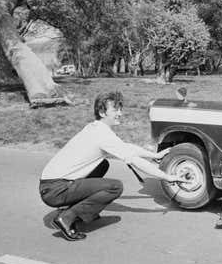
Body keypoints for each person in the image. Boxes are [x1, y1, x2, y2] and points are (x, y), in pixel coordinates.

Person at [39, 91, 185, 241]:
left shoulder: (96, 128)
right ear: (102, 112)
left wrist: (156, 156)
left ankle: (80, 209)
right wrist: (167, 177)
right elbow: (134, 160)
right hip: (55, 190)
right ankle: (67, 217)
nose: (120, 113)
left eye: (120, 109)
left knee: (102, 165)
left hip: (52, 185)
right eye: (115, 110)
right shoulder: (102, 135)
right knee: (114, 187)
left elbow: (126, 147)